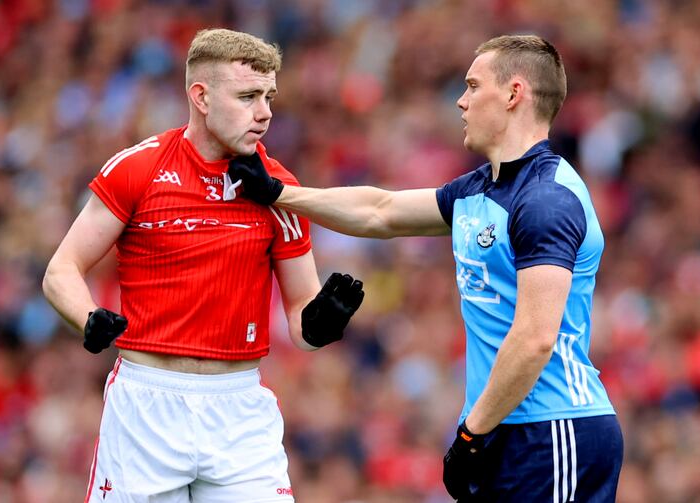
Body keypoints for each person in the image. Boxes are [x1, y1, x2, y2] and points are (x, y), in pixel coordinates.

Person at [228, 35, 623, 502]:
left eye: (473, 86)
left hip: (552, 430)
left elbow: (535, 338)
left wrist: (473, 434)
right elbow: (382, 211)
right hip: (507, 428)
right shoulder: (482, 189)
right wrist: (279, 193)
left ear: (514, 94)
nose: (461, 101)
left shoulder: (545, 199)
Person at [43, 28, 364, 503]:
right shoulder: (139, 168)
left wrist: (319, 324)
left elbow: (300, 312)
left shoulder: (279, 189)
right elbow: (61, 270)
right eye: (248, 96)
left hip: (238, 411)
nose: (265, 112)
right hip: (146, 406)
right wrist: (87, 316)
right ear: (201, 97)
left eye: (269, 97)